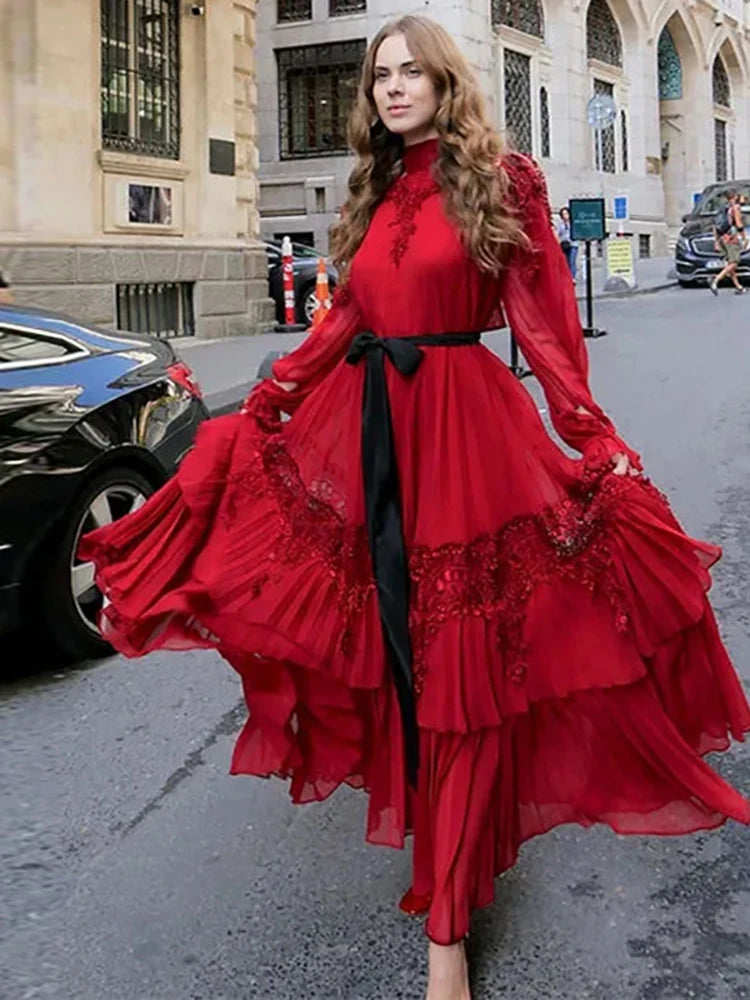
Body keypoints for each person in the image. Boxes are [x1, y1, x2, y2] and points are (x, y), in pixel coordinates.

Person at [79, 15, 750, 1000]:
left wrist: (595, 439)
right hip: (369, 428)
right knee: (398, 660)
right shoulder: (379, 184)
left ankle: (446, 925)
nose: (392, 88)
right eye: (379, 76)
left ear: (444, 81)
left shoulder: (500, 180)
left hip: (465, 434)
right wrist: (272, 396)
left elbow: (542, 323)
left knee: (461, 672)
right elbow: (351, 312)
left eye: (409, 73)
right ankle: (445, 846)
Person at [710, 189, 746, 295]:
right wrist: (744, 237)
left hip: (722, 238)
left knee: (730, 263)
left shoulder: (724, 209)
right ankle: (716, 280)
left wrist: (716, 241)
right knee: (734, 262)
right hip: (731, 238)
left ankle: (738, 286)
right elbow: (739, 225)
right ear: (735, 196)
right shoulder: (735, 208)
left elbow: (715, 226)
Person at [555, 205, 578, 282]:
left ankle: (573, 277)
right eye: (563, 214)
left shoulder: (573, 223)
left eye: (566, 214)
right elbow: (557, 234)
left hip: (573, 244)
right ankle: (567, 276)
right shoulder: (561, 224)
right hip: (564, 244)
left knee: (572, 261)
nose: (565, 216)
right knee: (566, 261)